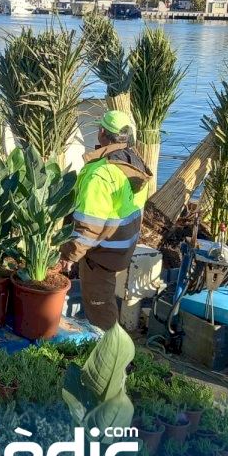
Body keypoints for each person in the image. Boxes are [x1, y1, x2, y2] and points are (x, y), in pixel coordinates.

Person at [59, 110, 151, 331]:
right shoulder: (132, 162)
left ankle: (111, 348)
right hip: (122, 246)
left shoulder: (99, 174)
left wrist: (69, 255)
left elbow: (89, 227)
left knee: (99, 306)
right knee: (106, 296)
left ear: (101, 132)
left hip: (102, 253)